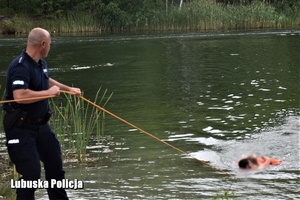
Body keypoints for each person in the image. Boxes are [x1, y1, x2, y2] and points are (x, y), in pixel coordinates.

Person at [3, 27, 81, 200]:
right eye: (50, 44)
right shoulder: (20, 66)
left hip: (41, 126)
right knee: (31, 175)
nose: (50, 47)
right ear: (43, 44)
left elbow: (47, 80)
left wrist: (69, 89)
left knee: (55, 169)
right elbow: (20, 96)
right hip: (20, 128)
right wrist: (49, 93)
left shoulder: (40, 63)